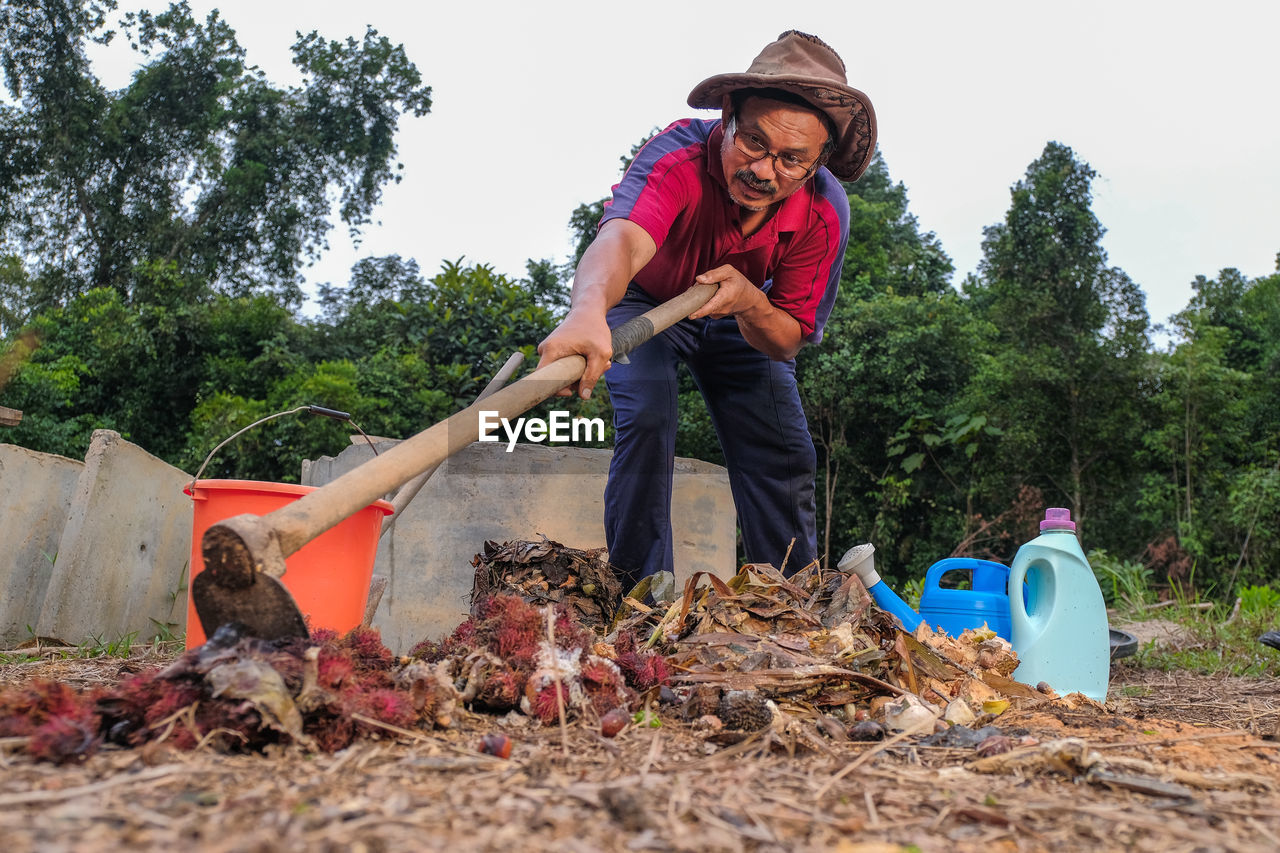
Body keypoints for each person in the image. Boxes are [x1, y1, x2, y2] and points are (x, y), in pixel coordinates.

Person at [536, 30, 876, 596]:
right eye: (754, 144)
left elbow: (787, 338)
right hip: (648, 303)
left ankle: (791, 603)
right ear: (729, 117)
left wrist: (747, 299)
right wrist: (587, 311)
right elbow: (622, 239)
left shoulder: (823, 209)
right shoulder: (677, 156)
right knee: (647, 417)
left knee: (785, 447)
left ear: (818, 162)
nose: (766, 171)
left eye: (793, 160)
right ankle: (642, 597)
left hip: (745, 312)